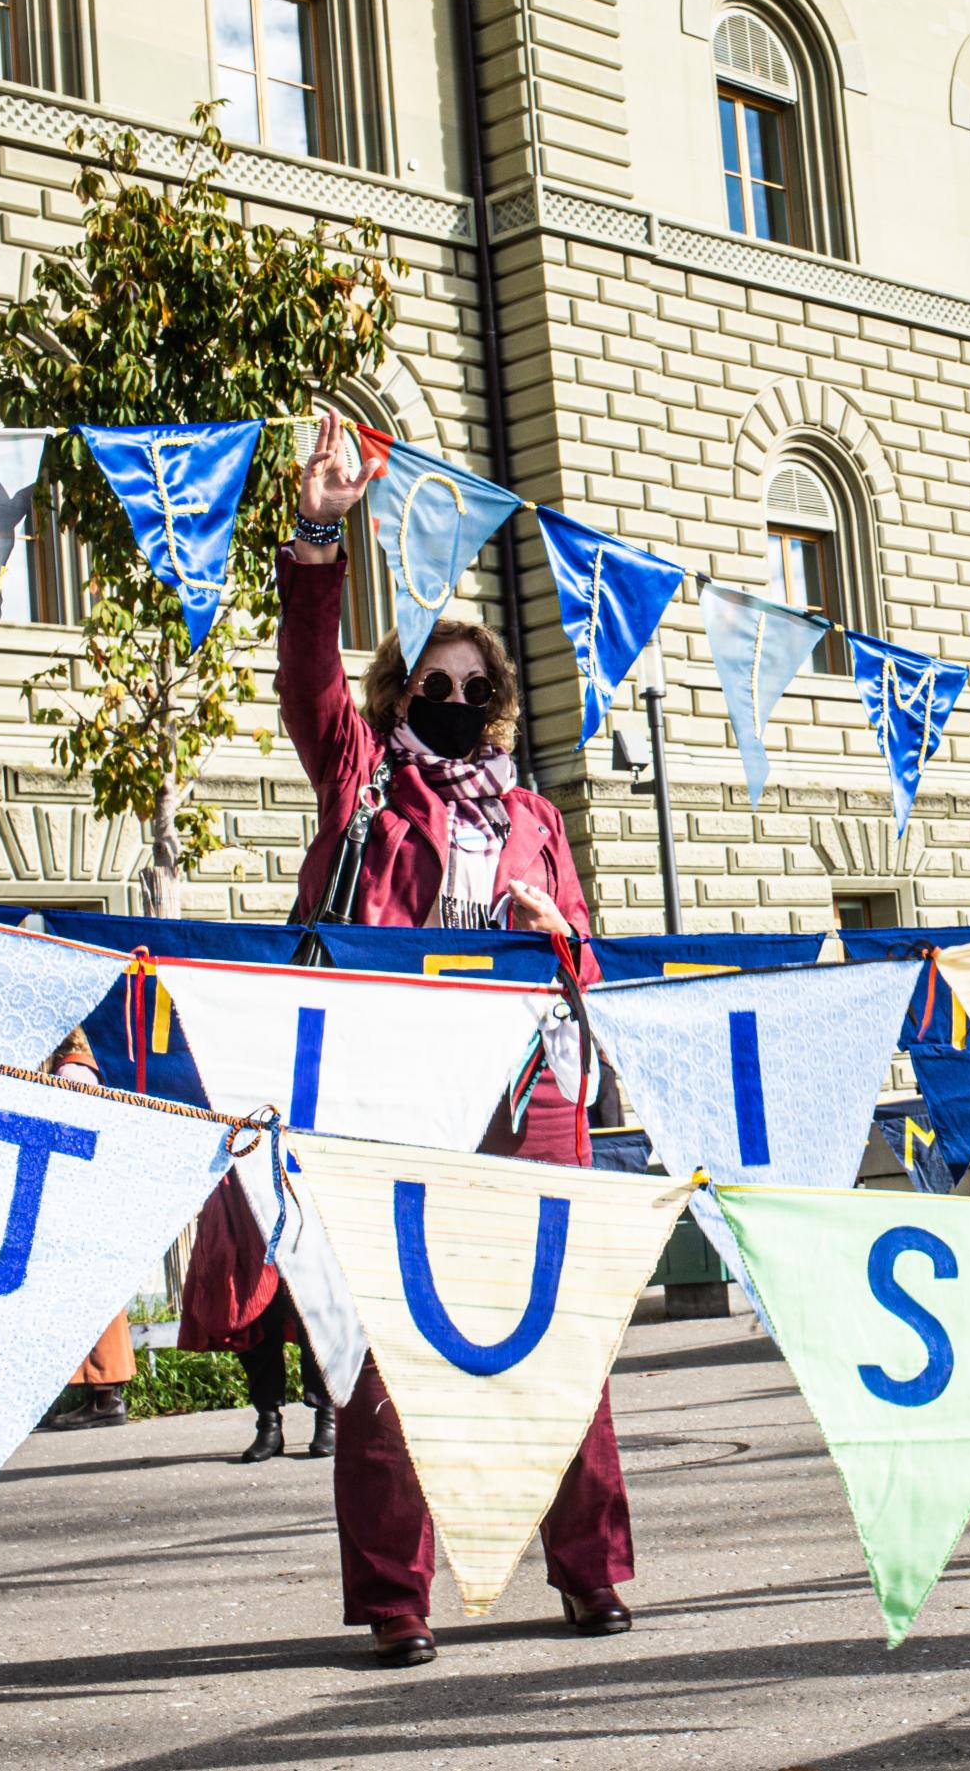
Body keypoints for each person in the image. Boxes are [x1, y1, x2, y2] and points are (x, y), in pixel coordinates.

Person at [284, 412, 630, 1666]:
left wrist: (556, 926)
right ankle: (395, 1598)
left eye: (478, 684)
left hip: (531, 1085)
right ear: (401, 696)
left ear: (501, 704)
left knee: (564, 1325)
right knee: (390, 1345)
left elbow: (587, 960)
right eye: (436, 680)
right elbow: (308, 674)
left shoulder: (536, 812)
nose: (459, 695)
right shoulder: (362, 775)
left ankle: (591, 1572)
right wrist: (321, 532)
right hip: (401, 1085)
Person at [42, 1031, 136, 1432]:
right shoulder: (95, 1071)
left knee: (90, 1294)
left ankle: (105, 1394)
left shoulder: (72, 1075)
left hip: (79, 1196)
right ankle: (99, 1394)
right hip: (94, 1195)